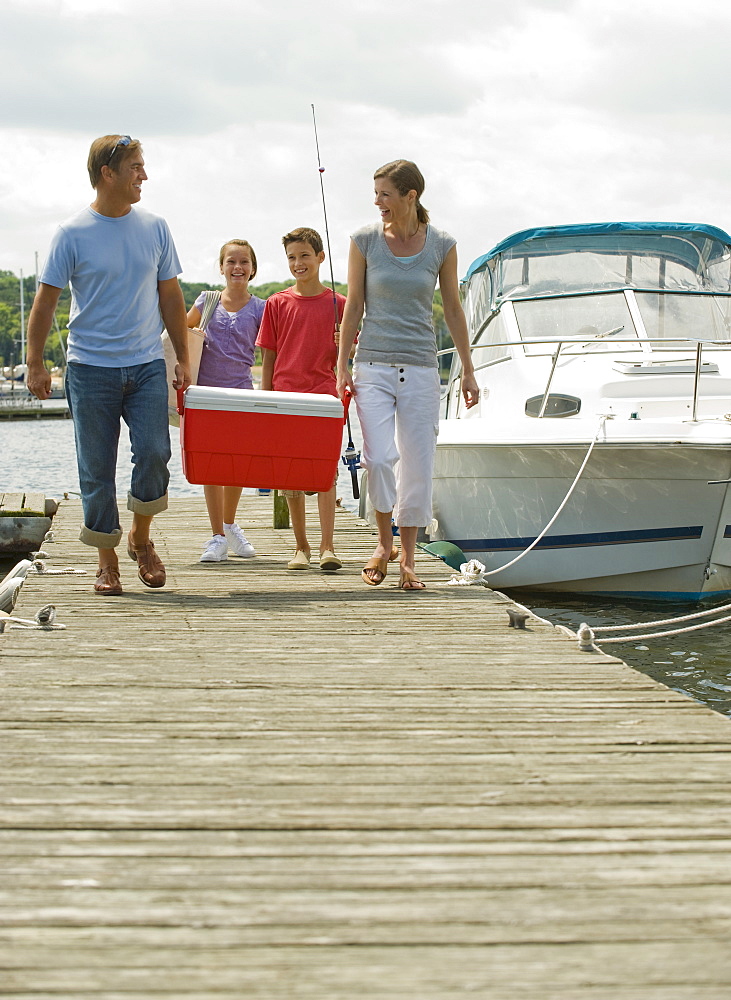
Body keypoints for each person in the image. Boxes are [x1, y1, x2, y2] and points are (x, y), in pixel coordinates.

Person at [26, 134, 191, 596]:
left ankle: (141, 537)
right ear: (108, 173)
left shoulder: (156, 227)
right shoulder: (72, 233)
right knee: (96, 469)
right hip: (89, 369)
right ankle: (106, 560)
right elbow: (45, 302)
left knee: (155, 454)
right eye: (136, 166)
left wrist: (179, 356)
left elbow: (171, 297)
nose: (144, 174)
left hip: (144, 366)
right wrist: (35, 363)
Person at [336, 159, 479, 590]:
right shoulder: (363, 241)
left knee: (418, 466)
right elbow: (354, 304)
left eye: (384, 193)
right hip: (373, 364)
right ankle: (384, 541)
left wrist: (468, 370)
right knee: (378, 458)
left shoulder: (442, 244)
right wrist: (342, 361)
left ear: (410, 196)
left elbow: (453, 307)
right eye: (375, 193)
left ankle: (409, 561)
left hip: (420, 367)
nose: (377, 201)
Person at [256, 227, 345, 572]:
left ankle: (327, 547)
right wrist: (264, 403)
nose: (298, 263)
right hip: (284, 399)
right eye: (292, 257)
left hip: (324, 398)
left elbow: (350, 356)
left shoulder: (341, 304)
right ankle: (301, 548)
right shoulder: (277, 303)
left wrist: (345, 341)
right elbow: (269, 358)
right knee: (290, 476)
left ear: (320, 257)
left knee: (324, 473)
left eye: (305, 255)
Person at [189, 240, 265, 563]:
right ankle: (217, 537)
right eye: (231, 261)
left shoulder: (262, 308)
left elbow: (278, 347)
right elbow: (181, 331)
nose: (237, 267)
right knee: (211, 467)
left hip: (242, 393)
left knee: (237, 466)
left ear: (252, 268)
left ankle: (230, 525)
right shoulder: (207, 301)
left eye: (244, 262)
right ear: (221, 267)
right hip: (205, 395)